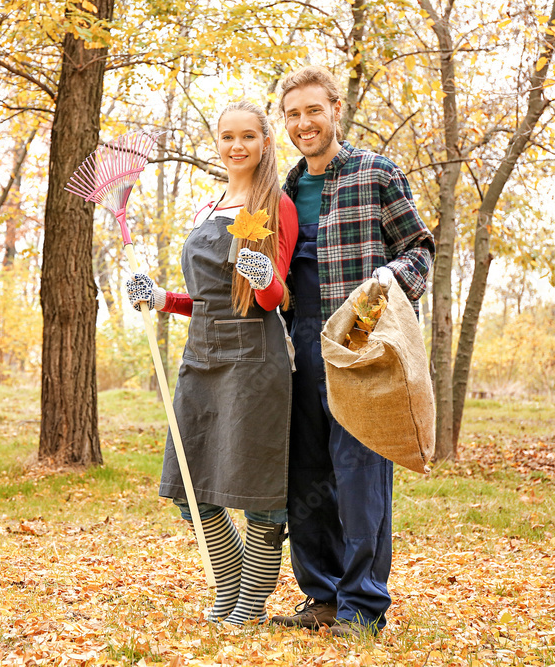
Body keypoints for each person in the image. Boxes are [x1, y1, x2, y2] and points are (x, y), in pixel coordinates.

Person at [268, 65, 435, 637]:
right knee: (305, 474)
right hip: (296, 349)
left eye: (313, 110)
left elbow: (419, 249)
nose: (303, 122)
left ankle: (362, 605)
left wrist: (385, 280)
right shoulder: (282, 191)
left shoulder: (375, 172)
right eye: (292, 114)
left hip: (358, 348)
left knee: (359, 477)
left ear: (335, 109)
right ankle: (321, 595)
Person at [126, 100, 299, 626]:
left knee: (257, 488)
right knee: (190, 482)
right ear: (217, 143)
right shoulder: (207, 208)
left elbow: (277, 297)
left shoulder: (277, 206)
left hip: (254, 357)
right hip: (200, 354)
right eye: (227, 137)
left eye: (248, 136)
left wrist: (261, 270)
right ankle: (230, 586)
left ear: (265, 143)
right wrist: (160, 298)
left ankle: (248, 604)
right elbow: (203, 297)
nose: (237, 146)